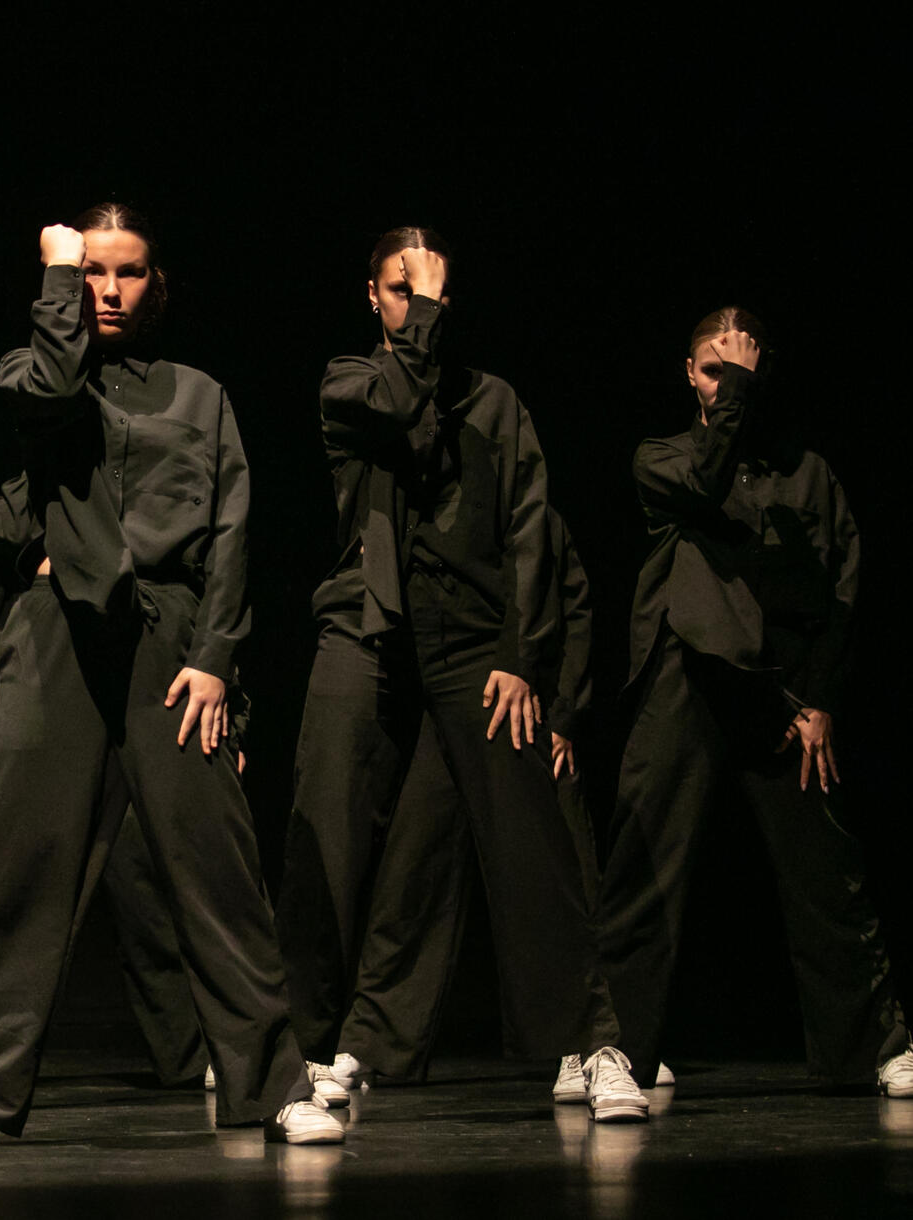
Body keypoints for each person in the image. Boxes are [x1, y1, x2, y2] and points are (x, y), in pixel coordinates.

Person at [0, 206, 341, 1149]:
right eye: (92, 273)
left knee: (216, 869)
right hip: (58, 636)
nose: (109, 290)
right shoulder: (36, 373)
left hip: (171, 644)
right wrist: (55, 270)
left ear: (153, 285)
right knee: (23, 867)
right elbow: (51, 388)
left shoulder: (199, 394)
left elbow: (233, 531)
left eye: (126, 273)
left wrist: (216, 659)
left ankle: (272, 1084)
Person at [274, 227, 647, 1122]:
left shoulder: (496, 401)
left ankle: (594, 1043)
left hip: (472, 644)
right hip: (369, 630)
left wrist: (523, 660)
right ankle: (310, 1052)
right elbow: (402, 403)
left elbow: (530, 534)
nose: (416, 305)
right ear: (373, 297)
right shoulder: (349, 382)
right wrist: (423, 325)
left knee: (527, 846)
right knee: (335, 834)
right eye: (401, 289)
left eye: (430, 291)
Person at [594, 307, 911, 1096]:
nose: (727, 385)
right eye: (714, 370)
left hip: (782, 696)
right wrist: (733, 393)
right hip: (689, 678)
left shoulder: (808, 474)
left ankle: (876, 1047)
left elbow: (843, 593)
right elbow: (706, 483)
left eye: (742, 372)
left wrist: (822, 700)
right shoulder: (664, 457)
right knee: (646, 867)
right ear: (691, 375)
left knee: (826, 873)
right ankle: (613, 1050)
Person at [333, 509, 629, 1100]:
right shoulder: (416, 506)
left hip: (519, 702)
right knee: (413, 870)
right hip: (446, 697)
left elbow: (572, 607)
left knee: (549, 874)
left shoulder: (528, 506)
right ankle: (372, 1040)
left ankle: (586, 1044)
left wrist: (564, 717)